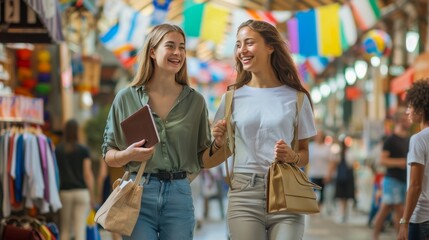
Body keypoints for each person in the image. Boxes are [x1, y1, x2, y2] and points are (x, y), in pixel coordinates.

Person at [205, 20, 317, 240]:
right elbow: (219, 153)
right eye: (238, 45)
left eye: (249, 43)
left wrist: (292, 156)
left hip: (287, 192)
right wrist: (218, 142)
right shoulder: (231, 98)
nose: (242, 51)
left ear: (270, 46)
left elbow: (304, 154)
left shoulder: (297, 97)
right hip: (244, 193)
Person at [101, 23, 212, 240]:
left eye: (182, 47)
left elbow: (203, 156)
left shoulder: (195, 101)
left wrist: (222, 142)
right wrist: (128, 155)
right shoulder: (126, 98)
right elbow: (108, 154)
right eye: (170, 46)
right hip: (138, 193)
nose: (177, 53)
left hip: (179, 195)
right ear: (152, 51)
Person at [398, 80, 429, 240]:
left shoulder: (418, 139)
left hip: (421, 217)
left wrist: (404, 221)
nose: (407, 111)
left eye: (410, 106)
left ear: (421, 110)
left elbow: (415, 185)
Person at [373, 109, 410, 240]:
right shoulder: (391, 140)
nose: (409, 121)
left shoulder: (408, 139)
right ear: (399, 121)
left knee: (390, 211)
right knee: (399, 212)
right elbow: (382, 160)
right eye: (406, 119)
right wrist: (400, 162)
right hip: (392, 180)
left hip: (403, 180)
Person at [55, 119, 95, 240]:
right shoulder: (83, 150)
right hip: (82, 192)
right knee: (80, 230)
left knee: (65, 230)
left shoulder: (58, 150)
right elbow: (87, 174)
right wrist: (92, 195)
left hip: (64, 193)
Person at [308, 130, 335, 214]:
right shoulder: (310, 146)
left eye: (320, 135)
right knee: (313, 193)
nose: (318, 137)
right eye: (317, 135)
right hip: (313, 173)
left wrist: (329, 174)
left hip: (324, 174)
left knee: (323, 193)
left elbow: (331, 162)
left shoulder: (327, 147)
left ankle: (320, 208)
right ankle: (314, 208)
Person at [333, 136, 356, 223]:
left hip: (341, 177)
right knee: (344, 197)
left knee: (342, 197)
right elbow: (351, 164)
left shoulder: (339, 154)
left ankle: (343, 213)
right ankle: (343, 213)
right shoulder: (348, 153)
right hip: (346, 177)